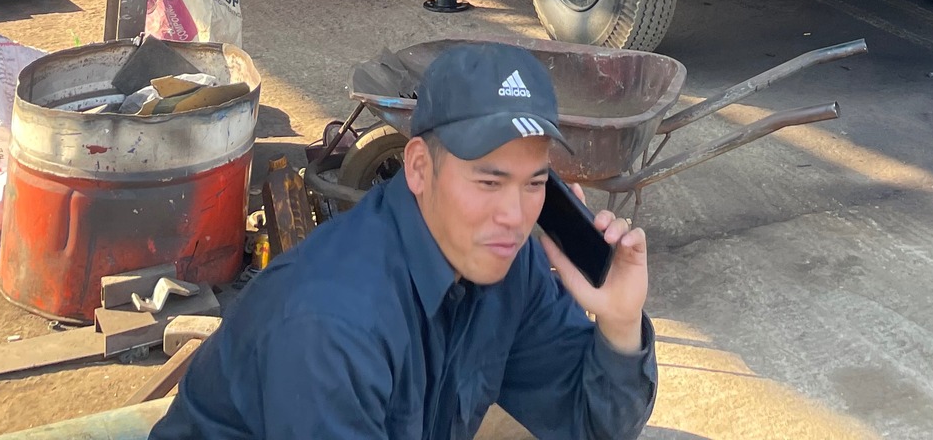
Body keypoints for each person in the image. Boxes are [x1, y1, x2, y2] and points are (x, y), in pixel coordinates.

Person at [156, 42, 656, 440]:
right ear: (418, 167)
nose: (514, 216)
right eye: (489, 182)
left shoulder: (508, 264)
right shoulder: (332, 324)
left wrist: (619, 323)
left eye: (534, 184)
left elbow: (591, 423)